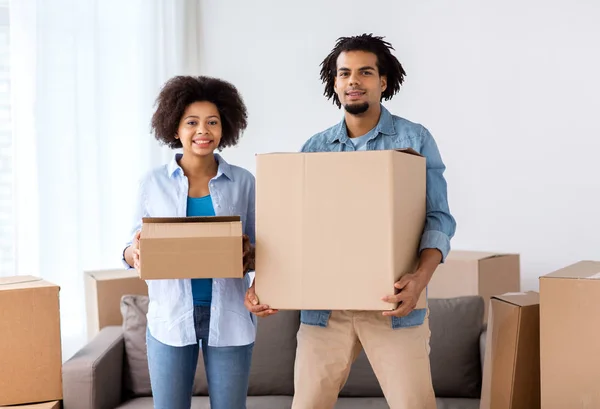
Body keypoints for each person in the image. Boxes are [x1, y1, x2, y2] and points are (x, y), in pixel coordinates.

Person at [245, 33, 456, 409]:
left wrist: (420, 280)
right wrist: (266, 281)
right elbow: (294, 225)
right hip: (325, 311)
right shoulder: (315, 148)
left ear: (383, 81)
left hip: (393, 305)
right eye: (344, 74)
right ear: (335, 83)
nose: (353, 81)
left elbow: (438, 217)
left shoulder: (415, 139)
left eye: (365, 72)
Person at [123, 75, 257, 409]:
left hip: (229, 313)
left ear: (225, 126)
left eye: (212, 122)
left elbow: (261, 249)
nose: (203, 131)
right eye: (192, 122)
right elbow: (128, 248)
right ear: (175, 128)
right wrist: (135, 252)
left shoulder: (244, 181)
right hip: (170, 315)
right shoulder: (151, 183)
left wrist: (251, 261)